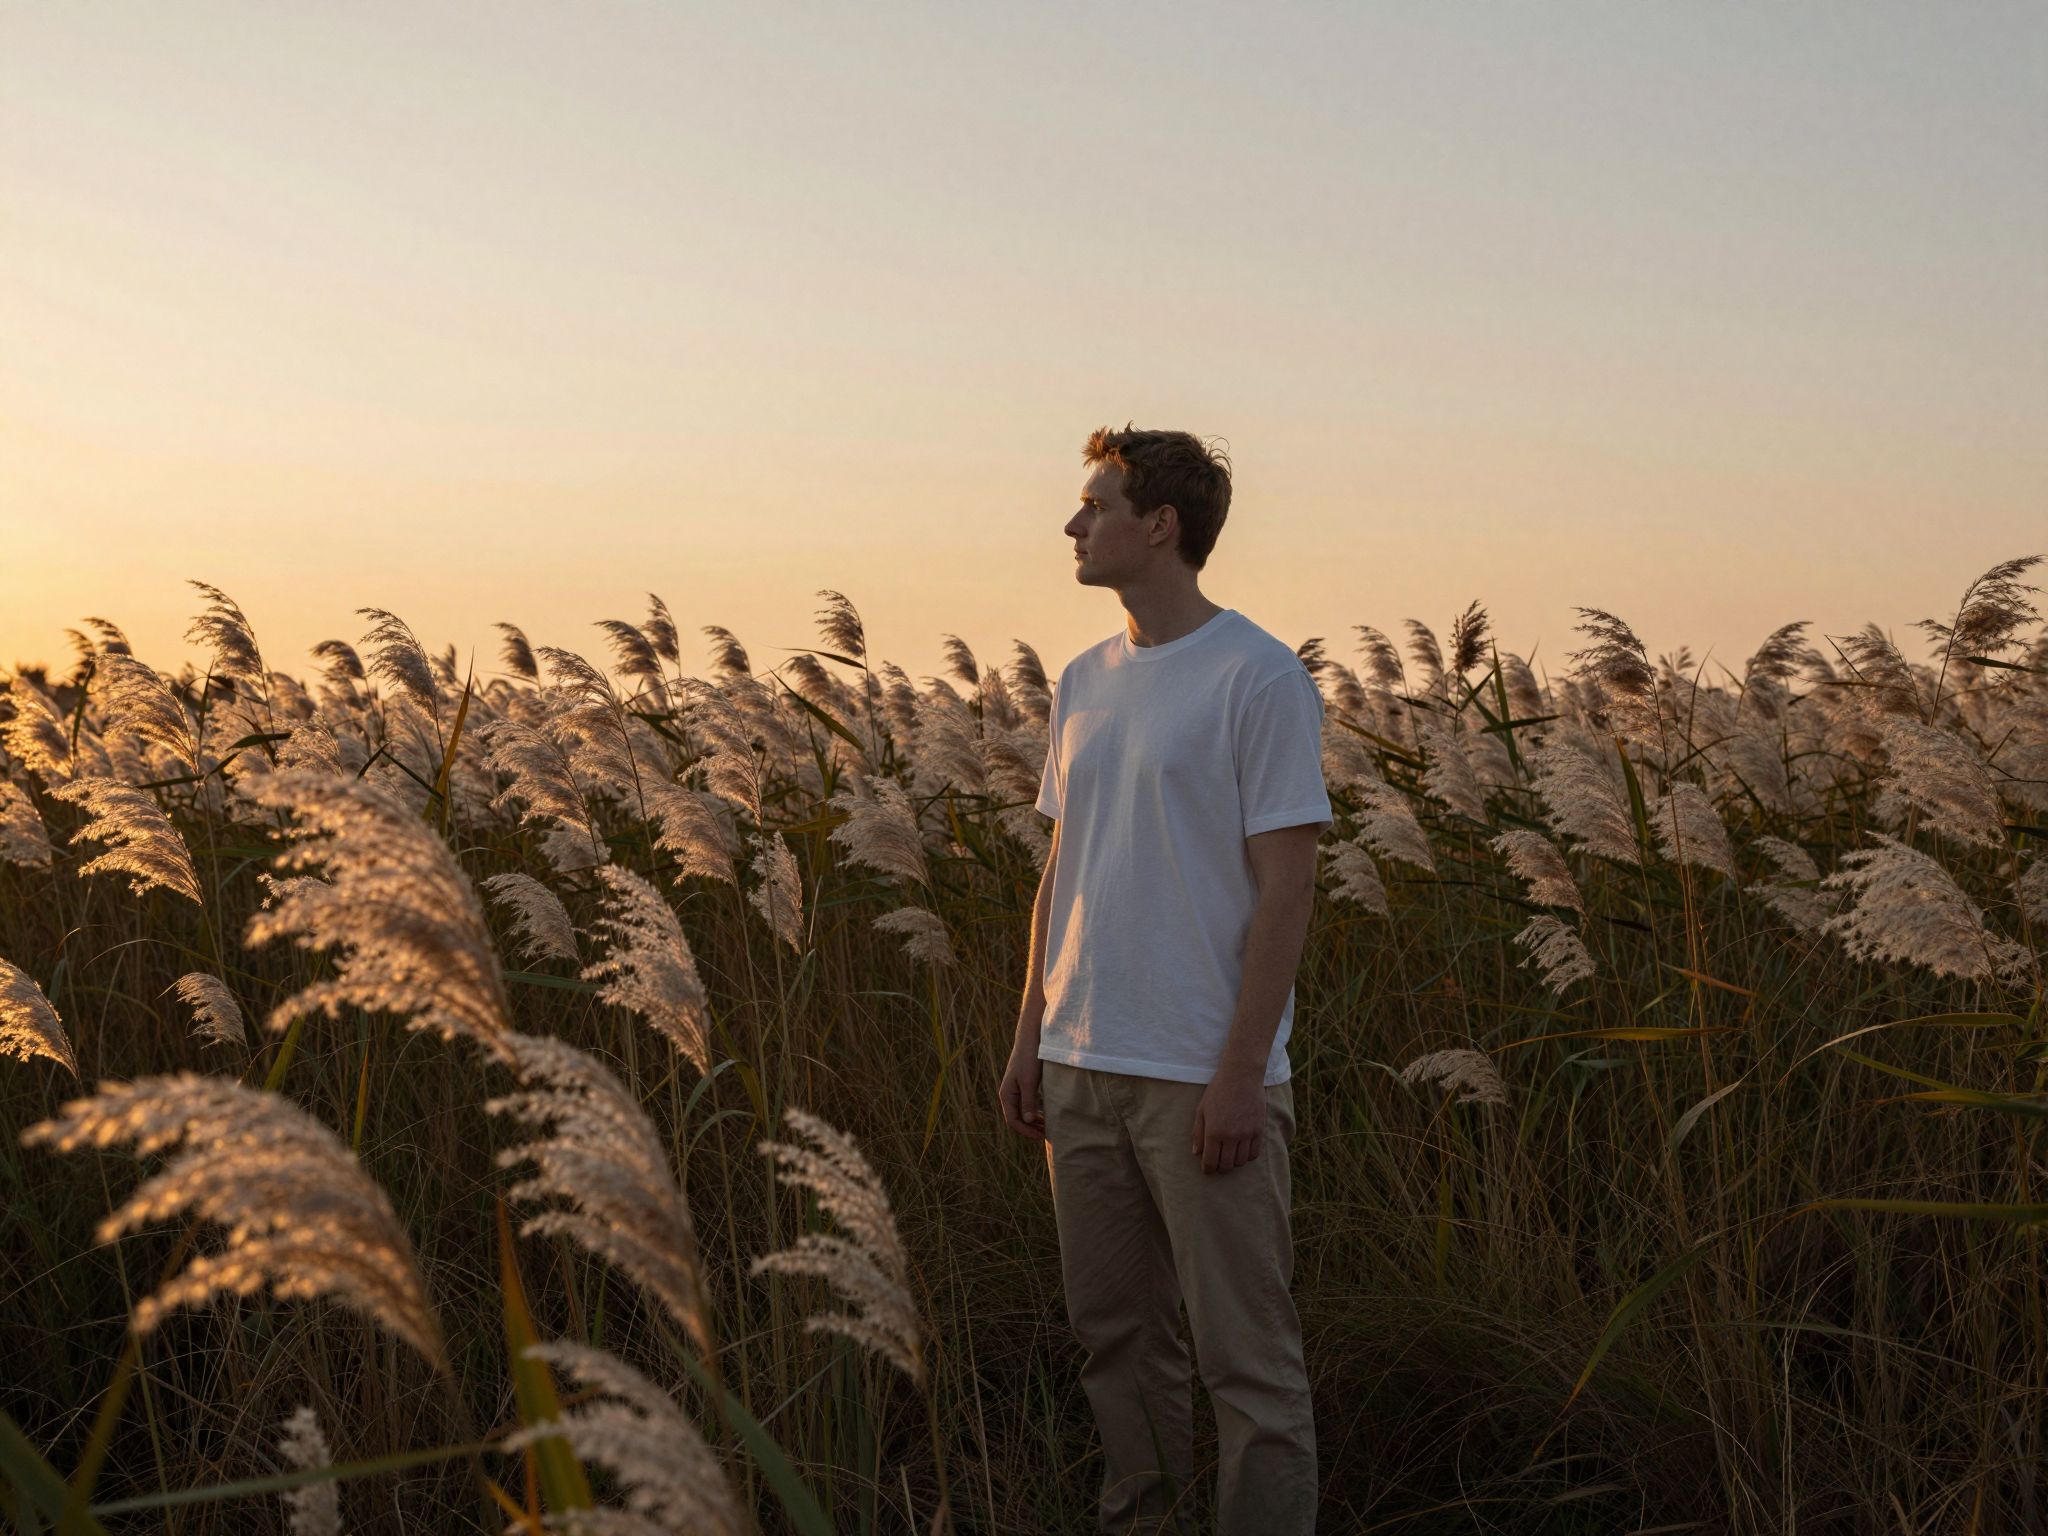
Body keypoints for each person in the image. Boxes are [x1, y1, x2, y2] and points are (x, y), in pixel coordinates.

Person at [999, 424, 1330, 1535]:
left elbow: (1285, 887)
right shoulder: (1085, 679)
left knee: (1247, 1363)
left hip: (1200, 1075)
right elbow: (1063, 866)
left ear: (1160, 527)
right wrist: (1026, 1037)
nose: (1071, 524)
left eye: (1094, 505)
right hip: (1081, 1064)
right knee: (1118, 1344)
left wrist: (1240, 1074)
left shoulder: (1256, 675)